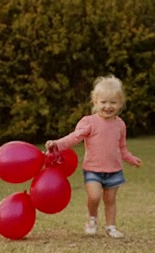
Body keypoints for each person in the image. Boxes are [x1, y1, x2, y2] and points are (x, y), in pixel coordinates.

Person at [45, 75, 142, 239]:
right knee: (95, 196)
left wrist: (130, 159)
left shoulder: (120, 124)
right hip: (93, 170)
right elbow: (74, 137)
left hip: (114, 170)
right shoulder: (89, 122)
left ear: (120, 103)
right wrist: (57, 144)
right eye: (103, 102)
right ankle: (92, 218)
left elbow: (122, 148)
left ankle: (111, 226)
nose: (108, 106)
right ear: (95, 102)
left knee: (110, 201)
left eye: (113, 102)